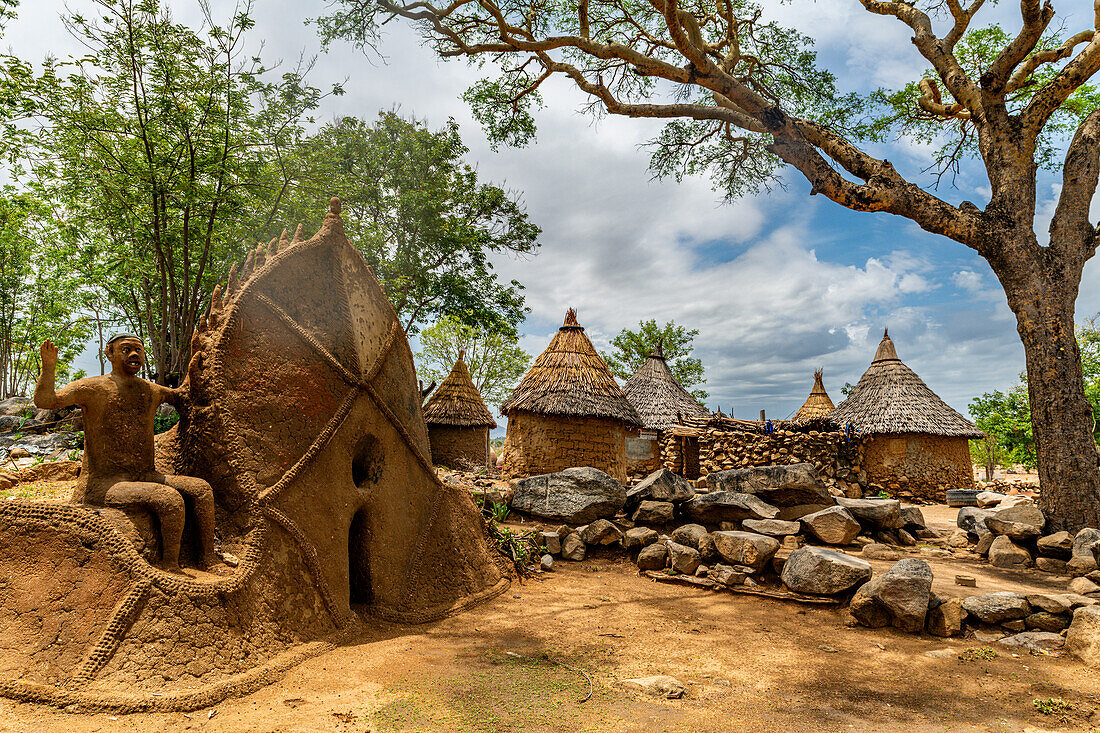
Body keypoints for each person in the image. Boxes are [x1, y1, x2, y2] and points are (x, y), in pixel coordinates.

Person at [34, 334, 220, 573]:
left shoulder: (149, 389)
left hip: (144, 474)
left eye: (138, 350)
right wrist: (48, 367)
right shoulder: (92, 388)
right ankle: (170, 566)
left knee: (202, 489)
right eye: (126, 350)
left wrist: (199, 363)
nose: (134, 355)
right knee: (169, 499)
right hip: (105, 484)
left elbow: (183, 395)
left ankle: (208, 558)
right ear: (109, 353)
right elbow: (46, 400)